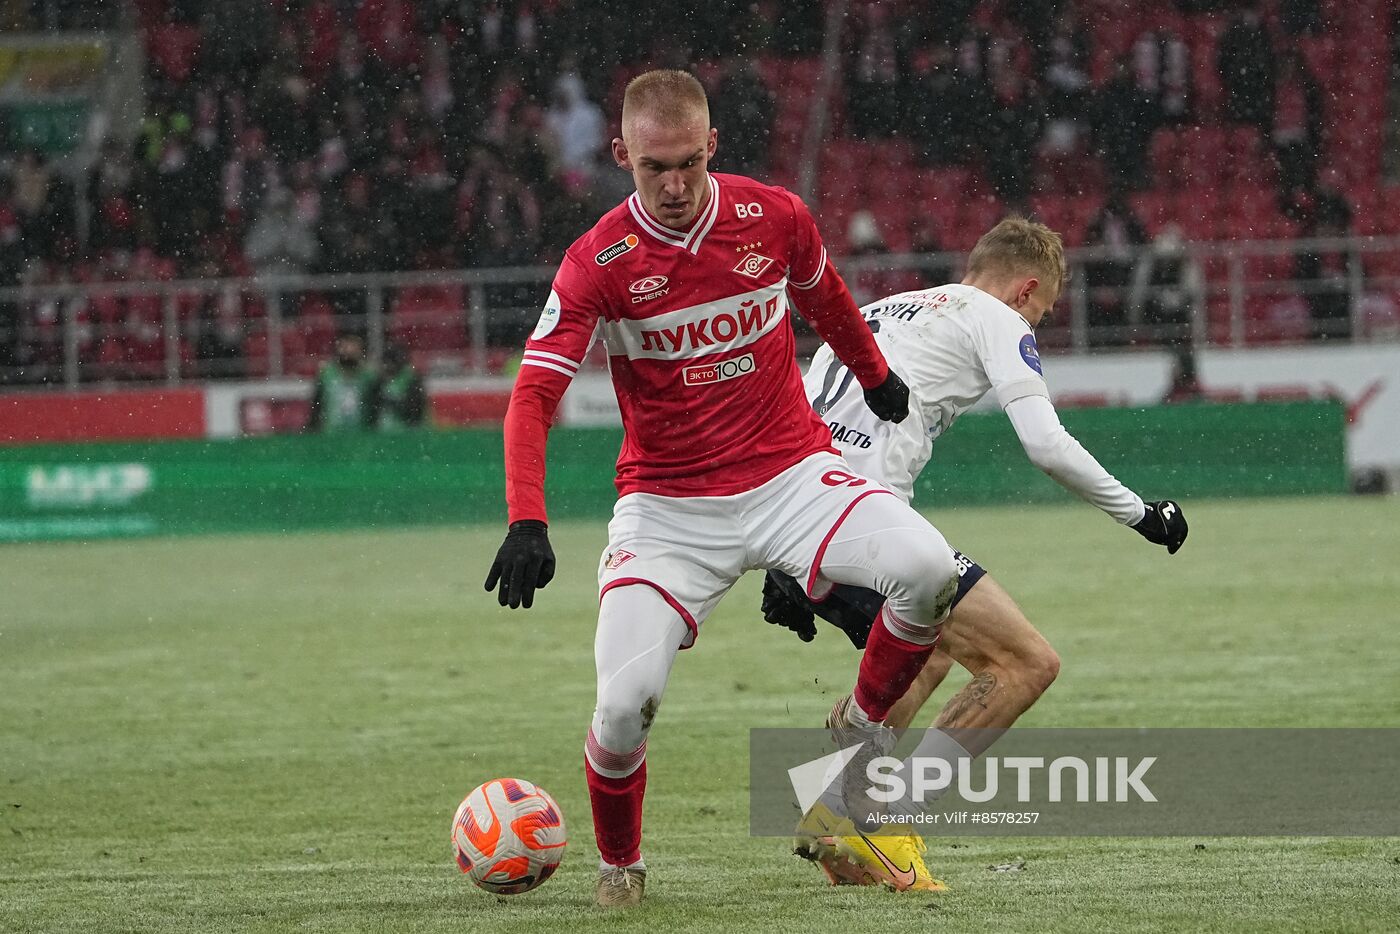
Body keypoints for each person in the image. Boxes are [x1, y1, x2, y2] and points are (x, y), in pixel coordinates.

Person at [483, 70, 963, 908]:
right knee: (625, 703)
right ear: (621, 153)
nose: (672, 187)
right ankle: (620, 869)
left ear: (712, 146)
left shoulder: (773, 216)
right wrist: (528, 518)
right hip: (668, 509)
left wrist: (874, 374)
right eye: (651, 169)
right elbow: (534, 393)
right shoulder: (597, 260)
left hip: (792, 475)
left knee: (929, 570)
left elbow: (826, 294)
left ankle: (859, 730)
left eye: (686, 166)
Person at [760, 217, 1190, 890]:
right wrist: (1141, 514)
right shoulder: (994, 317)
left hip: (799, 506)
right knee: (1027, 663)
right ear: (1025, 290)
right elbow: (1045, 445)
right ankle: (886, 816)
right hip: (863, 519)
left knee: (924, 648)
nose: (1036, 327)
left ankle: (839, 810)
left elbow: (806, 415)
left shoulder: (876, 312)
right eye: (1042, 313)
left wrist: (785, 558)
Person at [305, 333, 375, 432]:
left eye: (353, 348)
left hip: (360, 434)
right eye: (346, 347)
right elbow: (317, 405)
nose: (349, 351)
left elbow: (375, 407)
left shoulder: (368, 376)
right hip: (331, 434)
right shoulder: (327, 374)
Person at [369, 342, 427, 430]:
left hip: (404, 432)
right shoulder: (378, 382)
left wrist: (391, 401)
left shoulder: (410, 380)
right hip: (383, 432)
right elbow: (371, 409)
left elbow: (414, 410)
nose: (387, 367)